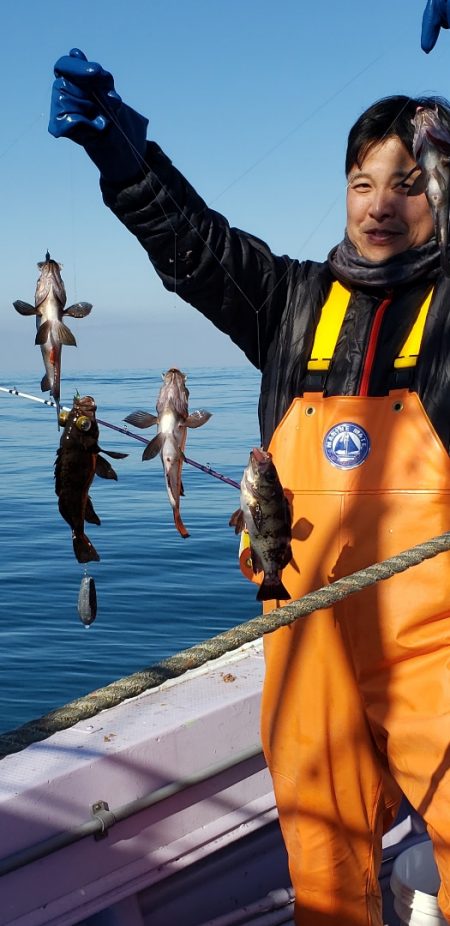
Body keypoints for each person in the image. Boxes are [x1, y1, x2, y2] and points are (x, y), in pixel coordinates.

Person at [48, 34, 450, 926]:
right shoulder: (292, 301)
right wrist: (122, 151)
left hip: (438, 652)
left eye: (410, 183)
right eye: (361, 182)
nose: (380, 205)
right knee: (324, 870)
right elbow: (193, 246)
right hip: (304, 637)